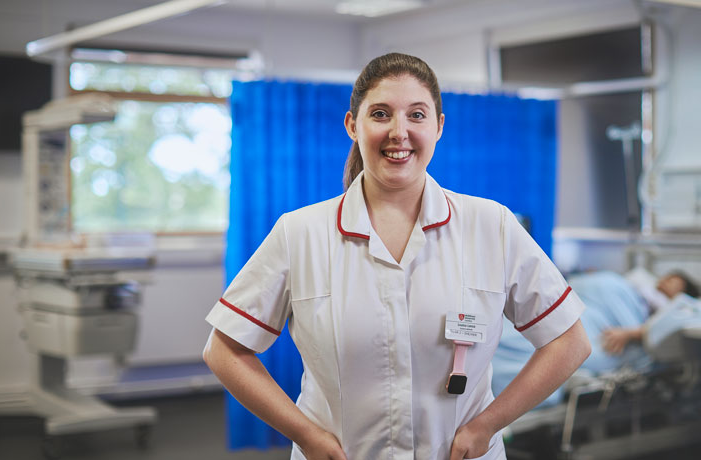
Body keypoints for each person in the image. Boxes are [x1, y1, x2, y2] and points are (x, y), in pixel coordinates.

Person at [202, 52, 591, 460]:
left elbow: (570, 340)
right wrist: (306, 435)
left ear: (439, 127)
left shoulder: (491, 224)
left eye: (417, 115)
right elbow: (224, 350)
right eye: (381, 114)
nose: (399, 132)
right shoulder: (301, 233)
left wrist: (488, 424)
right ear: (353, 125)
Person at [601, 271, 700, 355]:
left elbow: (659, 326)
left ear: (682, 293)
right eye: (667, 277)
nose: (664, 280)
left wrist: (628, 334)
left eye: (672, 281)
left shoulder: (675, 308)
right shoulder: (648, 289)